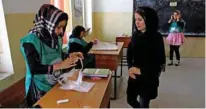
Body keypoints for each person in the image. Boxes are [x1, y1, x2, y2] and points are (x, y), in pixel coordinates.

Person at [20, 4, 83, 107]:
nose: (61, 31)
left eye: (63, 27)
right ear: (48, 23)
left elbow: (56, 55)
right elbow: (34, 68)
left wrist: (70, 55)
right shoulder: (31, 40)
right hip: (38, 88)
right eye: (58, 27)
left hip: (54, 82)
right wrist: (60, 66)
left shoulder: (55, 37)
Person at [127, 6, 166, 108]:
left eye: (140, 20)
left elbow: (159, 62)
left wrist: (141, 71)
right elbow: (129, 52)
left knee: (144, 102)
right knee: (130, 99)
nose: (137, 22)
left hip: (148, 76)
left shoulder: (156, 37)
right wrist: (130, 68)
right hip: (134, 73)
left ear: (148, 20)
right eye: (136, 20)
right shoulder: (135, 35)